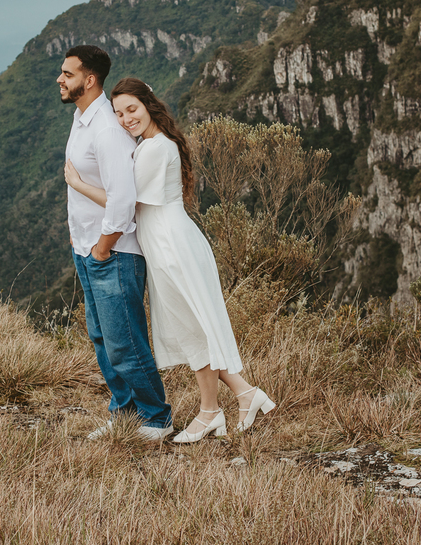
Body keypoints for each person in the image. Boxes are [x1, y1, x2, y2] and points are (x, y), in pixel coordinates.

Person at [65, 76, 275, 444]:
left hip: (169, 245)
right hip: (167, 242)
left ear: (149, 105)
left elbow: (124, 201)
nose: (126, 119)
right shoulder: (153, 144)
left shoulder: (153, 149)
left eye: (132, 109)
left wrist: (79, 184)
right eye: (118, 114)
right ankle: (244, 394)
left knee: (194, 329)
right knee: (193, 326)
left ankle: (212, 411)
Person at [57, 46, 173, 441]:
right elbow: (89, 187)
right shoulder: (82, 119)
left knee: (124, 340)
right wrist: (80, 237)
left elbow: (123, 200)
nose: (60, 79)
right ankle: (124, 413)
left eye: (67, 74)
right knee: (102, 337)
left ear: (89, 80)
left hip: (114, 253)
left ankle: (157, 417)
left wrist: (104, 246)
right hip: (88, 247)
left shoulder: (107, 129)